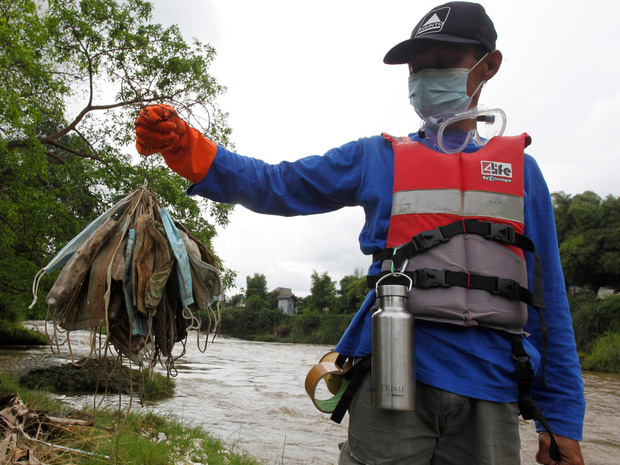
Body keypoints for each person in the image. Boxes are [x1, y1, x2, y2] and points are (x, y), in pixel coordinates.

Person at [134, 2, 585, 464]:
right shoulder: (378, 158)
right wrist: (186, 146)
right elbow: (278, 183)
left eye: (444, 63)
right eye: (417, 68)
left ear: (488, 65)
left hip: (494, 393)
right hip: (393, 378)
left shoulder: (523, 174)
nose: (426, 78)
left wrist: (562, 418)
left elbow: (551, 304)